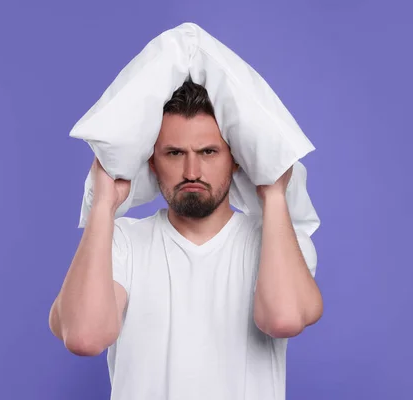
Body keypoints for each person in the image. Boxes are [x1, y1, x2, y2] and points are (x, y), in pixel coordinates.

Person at [49, 80, 323, 399]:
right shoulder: (122, 242)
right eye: (175, 153)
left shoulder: (279, 245)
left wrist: (274, 194)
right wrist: (103, 205)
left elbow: (283, 319)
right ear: (152, 161)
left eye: (208, 152)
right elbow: (84, 336)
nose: (192, 171)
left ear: (235, 159)